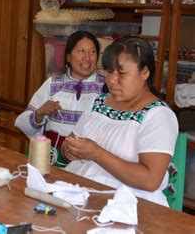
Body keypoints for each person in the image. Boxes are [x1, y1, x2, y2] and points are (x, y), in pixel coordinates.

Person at [62, 36, 178, 206]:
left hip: (131, 205)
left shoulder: (158, 115)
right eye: (109, 72)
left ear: (145, 72)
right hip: (83, 192)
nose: (112, 80)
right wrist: (70, 149)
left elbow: (150, 180)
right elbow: (70, 145)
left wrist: (97, 154)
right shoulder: (98, 102)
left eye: (121, 73)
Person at [15, 31, 105, 148]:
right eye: (81, 51)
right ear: (68, 57)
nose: (87, 57)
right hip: (52, 153)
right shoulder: (52, 84)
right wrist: (39, 113)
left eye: (92, 52)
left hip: (88, 157)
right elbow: (24, 123)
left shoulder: (106, 87)